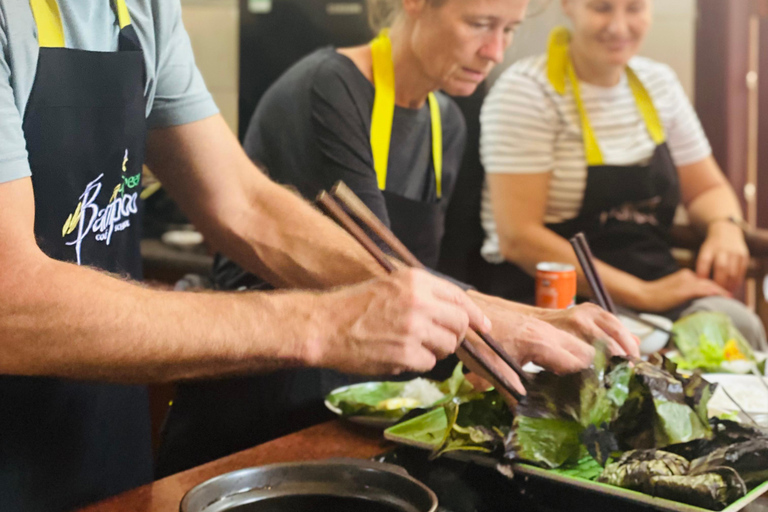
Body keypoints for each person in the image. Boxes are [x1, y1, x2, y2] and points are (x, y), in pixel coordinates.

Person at [0, 0, 625, 509]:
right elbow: (11, 303)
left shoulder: (143, 9)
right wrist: (322, 321)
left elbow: (244, 203)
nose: (495, 47)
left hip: (100, 435)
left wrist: (487, 317)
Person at [156, 0, 640, 478]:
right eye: (479, 24)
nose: (495, 50)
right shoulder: (329, 87)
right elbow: (380, 273)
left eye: (510, 29)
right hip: (262, 407)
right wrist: (522, 322)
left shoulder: (444, 119)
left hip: (365, 409)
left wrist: (487, 349)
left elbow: (418, 277)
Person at [478, 0, 767, 347]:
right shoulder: (527, 90)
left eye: (634, 8)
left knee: (738, 326)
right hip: (554, 295)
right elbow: (519, 238)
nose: (619, 26)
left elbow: (706, 190)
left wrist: (725, 227)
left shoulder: (659, 83)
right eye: (602, 8)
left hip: (655, 279)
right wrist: (644, 294)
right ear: (569, 6)